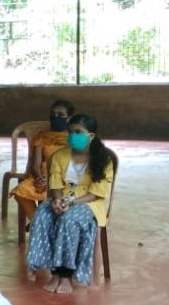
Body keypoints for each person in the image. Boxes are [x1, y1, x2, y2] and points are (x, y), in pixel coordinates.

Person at [26, 113, 114, 294]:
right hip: (63, 199)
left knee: (69, 220)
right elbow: (55, 184)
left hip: (88, 203)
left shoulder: (103, 159)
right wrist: (57, 200)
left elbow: (96, 193)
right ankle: (53, 271)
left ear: (90, 136)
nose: (73, 135)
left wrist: (71, 203)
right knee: (42, 214)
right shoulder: (60, 156)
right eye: (70, 131)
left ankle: (66, 274)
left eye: (78, 132)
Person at [10, 99, 75, 220]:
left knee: (60, 195)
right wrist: (39, 178)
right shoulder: (42, 137)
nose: (55, 117)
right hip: (43, 177)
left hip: (64, 178)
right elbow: (36, 165)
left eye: (60, 115)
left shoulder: (74, 138)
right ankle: (38, 222)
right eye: (53, 114)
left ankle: (41, 225)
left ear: (69, 118)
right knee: (21, 191)